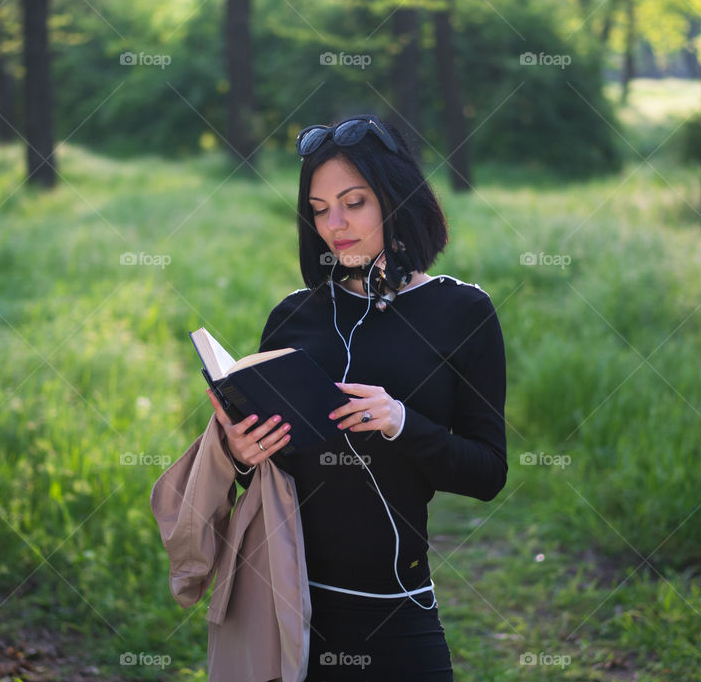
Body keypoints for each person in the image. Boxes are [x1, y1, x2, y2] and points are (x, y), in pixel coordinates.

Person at [205, 114, 508, 681]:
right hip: (287, 599)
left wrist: (400, 422)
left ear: (395, 198)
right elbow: (265, 476)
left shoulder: (461, 312)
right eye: (320, 209)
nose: (335, 225)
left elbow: (488, 473)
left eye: (354, 202)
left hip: (399, 609)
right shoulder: (293, 318)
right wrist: (240, 453)